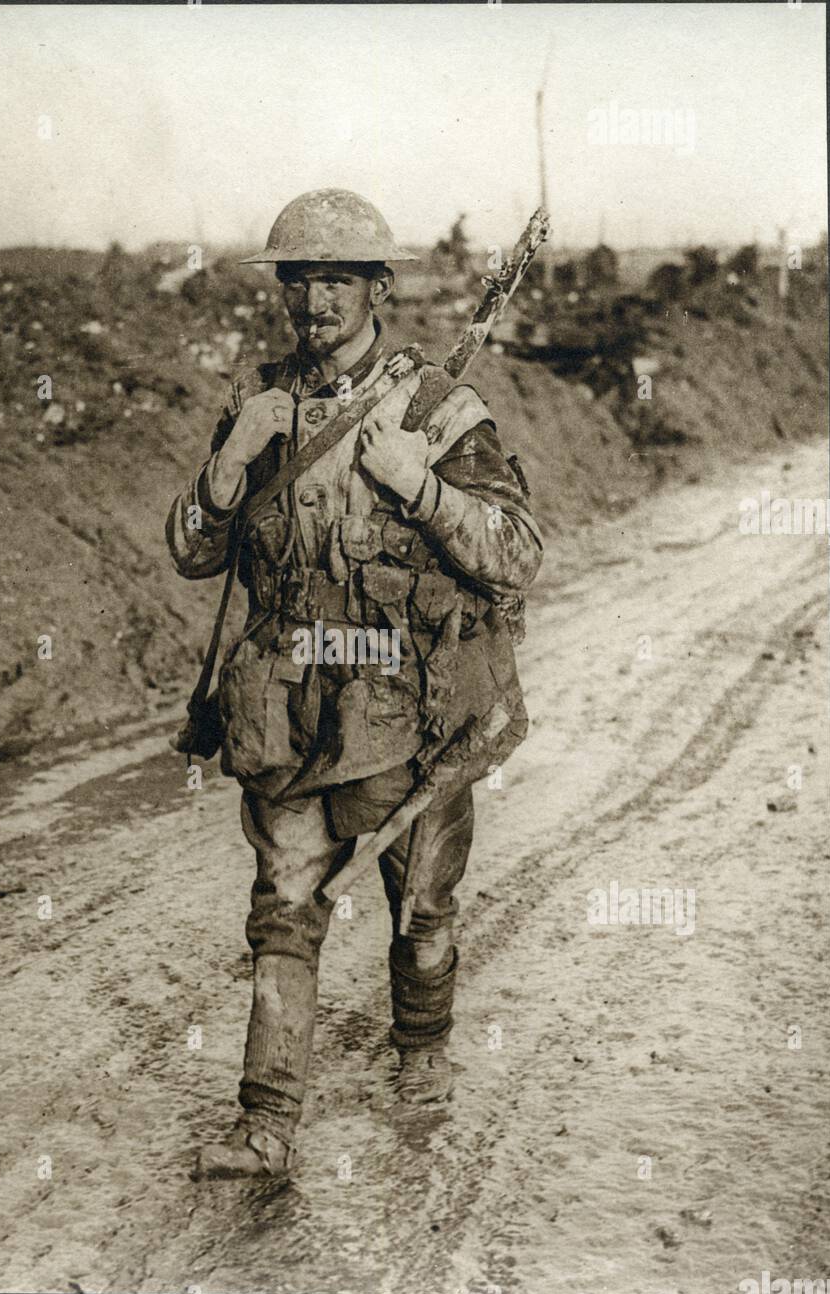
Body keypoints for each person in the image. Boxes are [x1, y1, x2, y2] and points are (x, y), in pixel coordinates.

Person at [166, 189, 543, 1178]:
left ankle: (422, 1055)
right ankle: (265, 1123)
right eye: (301, 278)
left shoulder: (439, 412)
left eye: (337, 277)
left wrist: (422, 485)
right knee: (282, 909)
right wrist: (227, 469)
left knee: (422, 910)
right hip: (291, 714)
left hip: (413, 715)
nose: (315, 298)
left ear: (378, 287)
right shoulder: (263, 410)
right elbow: (193, 556)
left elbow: (517, 554)